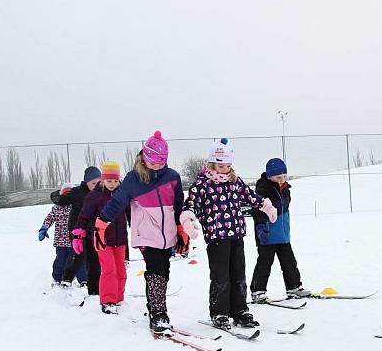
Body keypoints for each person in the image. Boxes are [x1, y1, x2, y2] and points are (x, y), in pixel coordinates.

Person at [179, 138, 278, 330]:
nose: (225, 169)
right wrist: (188, 220)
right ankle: (219, 312)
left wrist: (266, 206)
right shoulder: (203, 185)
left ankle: (240, 310)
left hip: (236, 235)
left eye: (228, 165)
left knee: (238, 274)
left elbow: (251, 197)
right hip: (217, 238)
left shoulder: (235, 182)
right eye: (221, 165)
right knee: (220, 276)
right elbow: (191, 204)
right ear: (212, 163)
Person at [97, 131, 187, 333]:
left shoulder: (173, 177)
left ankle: (155, 305)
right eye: (153, 162)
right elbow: (117, 203)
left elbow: (179, 204)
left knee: (164, 273)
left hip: (168, 235)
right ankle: (158, 313)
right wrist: (101, 223)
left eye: (161, 163)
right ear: (145, 158)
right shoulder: (134, 179)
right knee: (155, 271)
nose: (157, 166)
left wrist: (181, 228)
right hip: (146, 234)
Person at [249, 158, 312, 303]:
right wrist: (260, 227)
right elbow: (257, 212)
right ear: (270, 176)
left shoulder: (285, 189)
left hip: (282, 233)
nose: (282, 179)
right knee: (265, 263)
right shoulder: (262, 190)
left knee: (289, 261)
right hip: (267, 234)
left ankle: (294, 287)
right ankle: (258, 291)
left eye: (284, 176)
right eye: (279, 177)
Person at [74, 161, 129, 314]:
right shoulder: (94, 196)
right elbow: (84, 216)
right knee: (109, 269)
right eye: (109, 181)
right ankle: (108, 301)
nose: (112, 184)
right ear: (103, 179)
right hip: (102, 239)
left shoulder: (123, 195)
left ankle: (118, 298)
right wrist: (78, 234)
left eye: (115, 181)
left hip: (120, 239)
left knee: (120, 270)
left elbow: (131, 214)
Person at [51, 167, 102, 293]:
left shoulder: (101, 192)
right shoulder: (77, 192)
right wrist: (57, 195)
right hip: (76, 229)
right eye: (93, 183)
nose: (96, 186)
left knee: (94, 257)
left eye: (98, 182)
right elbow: (61, 200)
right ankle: (67, 279)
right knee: (78, 255)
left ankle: (94, 286)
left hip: (92, 229)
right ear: (86, 182)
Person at [39, 185, 82, 286]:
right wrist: (44, 228)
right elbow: (49, 219)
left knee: (75, 261)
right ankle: (57, 279)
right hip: (60, 242)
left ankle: (77, 280)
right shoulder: (56, 208)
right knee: (60, 261)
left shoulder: (78, 206)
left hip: (74, 241)